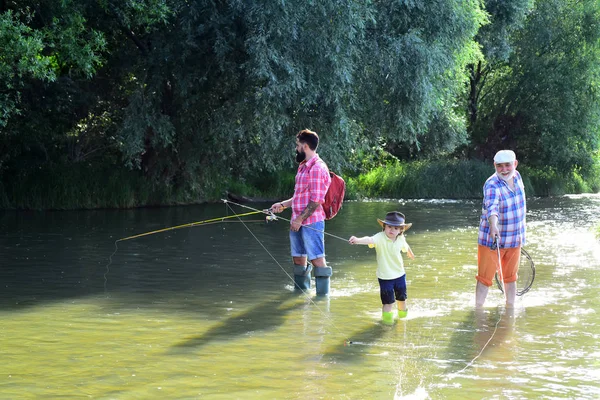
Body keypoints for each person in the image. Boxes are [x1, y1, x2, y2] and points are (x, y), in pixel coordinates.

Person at [270, 129, 332, 295]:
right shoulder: (303, 166)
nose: (296, 149)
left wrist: (299, 220)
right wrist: (283, 205)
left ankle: (322, 298)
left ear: (305, 146)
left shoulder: (318, 168)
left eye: (297, 145)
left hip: (312, 222)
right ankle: (301, 295)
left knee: (317, 259)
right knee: (298, 258)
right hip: (297, 221)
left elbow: (316, 201)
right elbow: (300, 196)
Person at [476, 150, 526, 308]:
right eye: (499, 166)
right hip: (492, 240)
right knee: (484, 279)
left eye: (507, 165)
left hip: (515, 238)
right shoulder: (491, 184)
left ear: (515, 164)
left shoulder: (517, 177)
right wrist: (493, 225)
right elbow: (492, 208)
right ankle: (478, 311)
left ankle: (510, 309)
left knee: (511, 277)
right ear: (494, 166)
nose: (504, 169)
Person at [349, 211, 415, 324]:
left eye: (395, 228)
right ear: (384, 227)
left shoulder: (401, 239)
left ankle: (403, 321)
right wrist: (357, 240)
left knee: (402, 300)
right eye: (389, 227)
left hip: (400, 275)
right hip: (385, 277)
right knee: (388, 303)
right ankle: (387, 324)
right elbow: (369, 239)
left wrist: (409, 251)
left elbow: (405, 244)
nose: (391, 230)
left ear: (400, 230)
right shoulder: (379, 237)